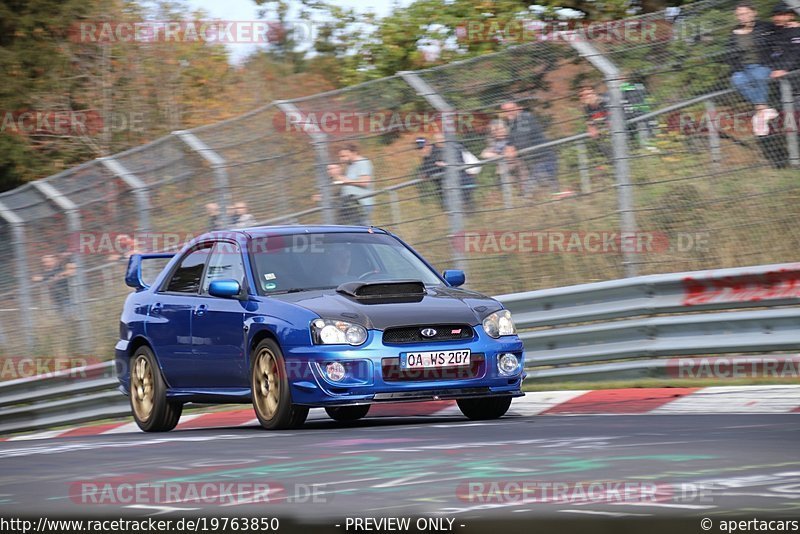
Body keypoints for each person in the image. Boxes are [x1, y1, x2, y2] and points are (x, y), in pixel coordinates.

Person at [727, 2, 780, 136]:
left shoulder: (766, 27)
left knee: (758, 74)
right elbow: (730, 55)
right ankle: (762, 109)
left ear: (753, 12)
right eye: (739, 14)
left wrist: (795, 24)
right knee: (737, 80)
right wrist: (735, 69)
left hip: (763, 65)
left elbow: (782, 36)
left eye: (745, 13)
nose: (742, 17)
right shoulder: (734, 33)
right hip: (742, 68)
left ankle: (760, 111)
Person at [500, 101, 559, 195]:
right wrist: (509, 148)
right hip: (534, 162)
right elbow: (509, 142)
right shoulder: (512, 124)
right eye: (506, 110)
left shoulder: (525, 118)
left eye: (511, 109)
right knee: (545, 190)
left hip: (544, 158)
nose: (508, 112)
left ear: (519, 108)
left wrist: (513, 150)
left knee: (538, 191)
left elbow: (522, 140)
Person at [338, 145, 375, 225]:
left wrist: (348, 181)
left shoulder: (363, 162)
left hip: (361, 203)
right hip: (352, 204)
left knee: (362, 229)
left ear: (354, 153)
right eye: (341, 156)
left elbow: (365, 182)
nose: (342, 159)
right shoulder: (350, 166)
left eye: (344, 156)